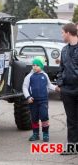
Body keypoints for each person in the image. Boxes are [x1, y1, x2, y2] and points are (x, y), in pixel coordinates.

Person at [23, 56, 58, 142]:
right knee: (34, 118)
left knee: (44, 116)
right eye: (33, 65)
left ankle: (45, 134)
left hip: (43, 100)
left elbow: (49, 85)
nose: (34, 67)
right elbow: (24, 87)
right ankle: (35, 134)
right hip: (33, 101)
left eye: (37, 65)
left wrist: (56, 88)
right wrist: (28, 97)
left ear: (41, 66)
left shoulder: (44, 75)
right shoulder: (29, 76)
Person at [56, 23, 78, 154]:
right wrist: (60, 84)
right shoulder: (64, 50)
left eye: (62, 33)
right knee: (71, 120)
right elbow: (61, 69)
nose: (62, 35)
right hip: (67, 91)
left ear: (68, 33)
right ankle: (72, 148)